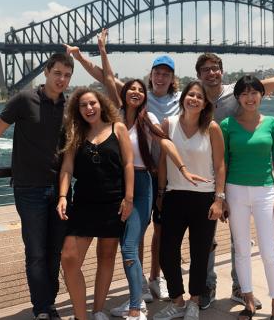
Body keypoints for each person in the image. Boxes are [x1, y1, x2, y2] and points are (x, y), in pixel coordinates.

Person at [75, 47, 274, 309]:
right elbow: (108, 79)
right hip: (173, 180)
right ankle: (192, 286)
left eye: (215, 68)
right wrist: (86, 56)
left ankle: (237, 288)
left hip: (225, 177)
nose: (211, 73)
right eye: (205, 70)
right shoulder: (177, 99)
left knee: (226, 240)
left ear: (221, 71)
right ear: (198, 76)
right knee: (189, 239)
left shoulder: (234, 94)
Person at [78, 30, 207, 319]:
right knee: (127, 245)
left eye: (166, 74)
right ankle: (136, 298)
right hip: (117, 185)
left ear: (171, 79)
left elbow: (165, 140)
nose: (160, 78)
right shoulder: (115, 116)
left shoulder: (157, 112)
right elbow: (106, 78)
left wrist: (185, 168)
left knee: (140, 242)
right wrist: (98, 51)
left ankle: (142, 297)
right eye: (156, 73)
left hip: (154, 180)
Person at [0, 53, 74, 320]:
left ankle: (48, 303)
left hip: (61, 191)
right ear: (46, 72)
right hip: (29, 188)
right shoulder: (24, 99)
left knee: (55, 251)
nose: (62, 79)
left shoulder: (69, 106)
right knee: (36, 252)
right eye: (58, 73)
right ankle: (41, 308)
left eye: (67, 75)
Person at [56, 88, 134, 320]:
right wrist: (62, 196)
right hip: (83, 204)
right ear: (77, 110)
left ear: (101, 104)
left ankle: (98, 311)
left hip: (113, 203)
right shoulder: (74, 132)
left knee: (107, 255)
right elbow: (67, 167)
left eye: (92, 103)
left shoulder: (117, 128)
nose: (89, 108)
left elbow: (129, 164)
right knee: (69, 257)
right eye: (83, 105)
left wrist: (128, 198)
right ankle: (81, 316)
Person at [154, 81, 226, 320]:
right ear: (183, 98)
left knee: (200, 253)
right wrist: (161, 193)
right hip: (175, 196)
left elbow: (220, 165)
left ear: (205, 103)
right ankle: (177, 301)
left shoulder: (212, 128)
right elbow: (163, 161)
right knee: (167, 253)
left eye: (199, 96)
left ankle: (194, 301)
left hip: (204, 198)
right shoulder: (169, 124)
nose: (194, 99)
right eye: (190, 95)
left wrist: (219, 199)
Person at [221, 76, 274, 320]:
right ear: (238, 98)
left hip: (265, 192)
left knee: (270, 251)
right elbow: (223, 163)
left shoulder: (273, 124)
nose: (250, 98)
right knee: (242, 250)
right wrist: (222, 197)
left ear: (262, 95)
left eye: (254, 92)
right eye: (245, 93)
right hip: (235, 191)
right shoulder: (227, 125)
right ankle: (248, 300)